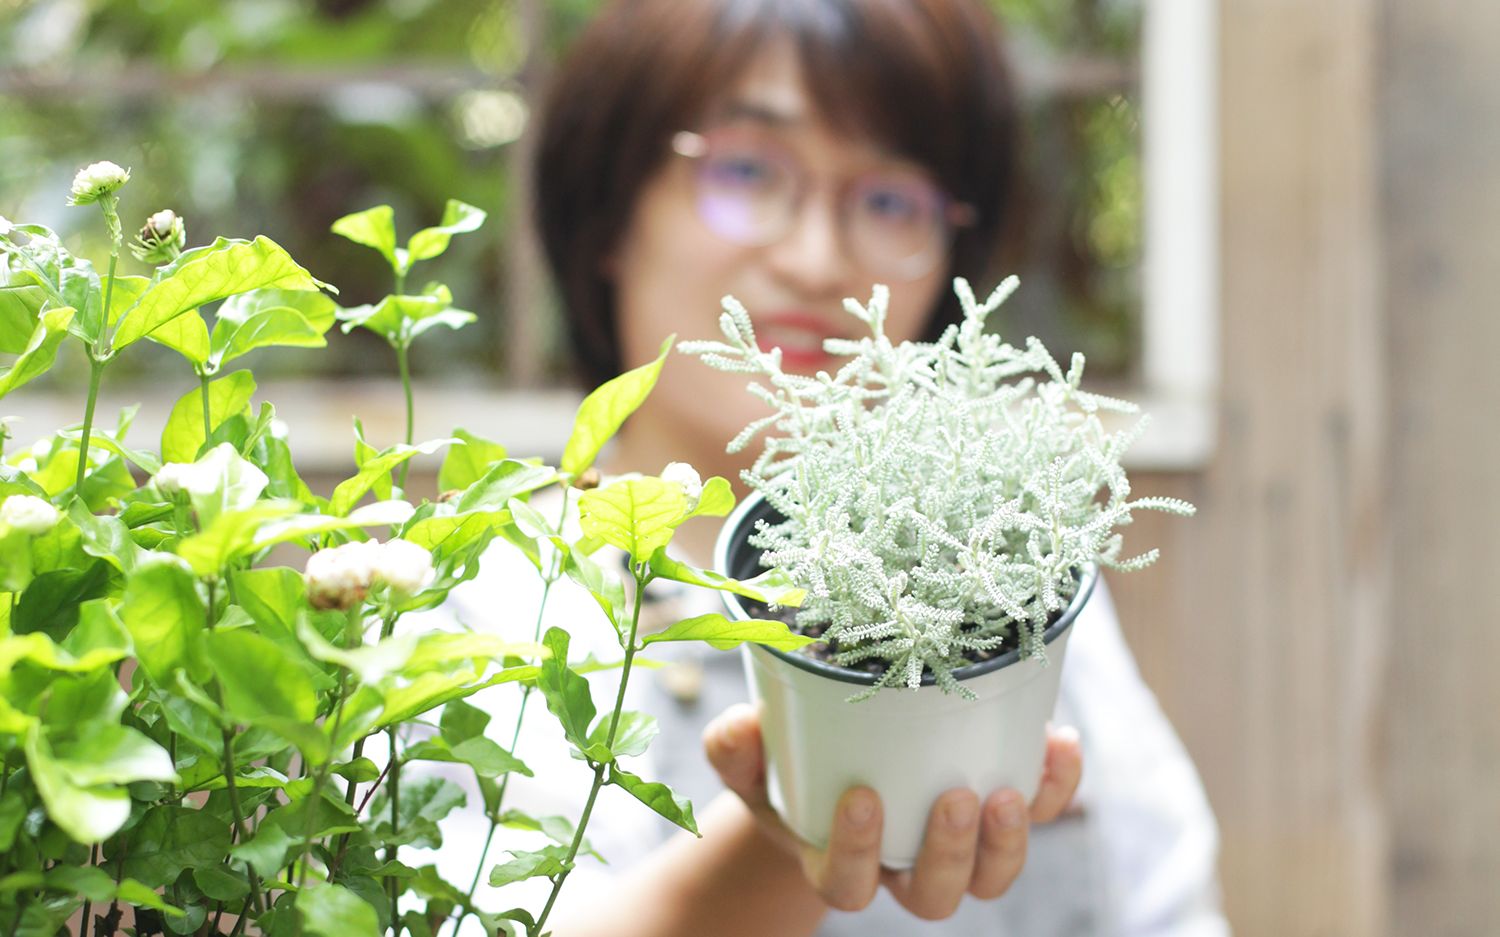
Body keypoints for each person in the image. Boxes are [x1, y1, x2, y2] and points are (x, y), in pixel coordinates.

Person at [425, 1, 1231, 934]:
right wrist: (782, 840)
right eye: (747, 170)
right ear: (607, 207)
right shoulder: (482, 601)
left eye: (890, 200)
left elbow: (1174, 911)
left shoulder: (1013, 586)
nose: (816, 259)